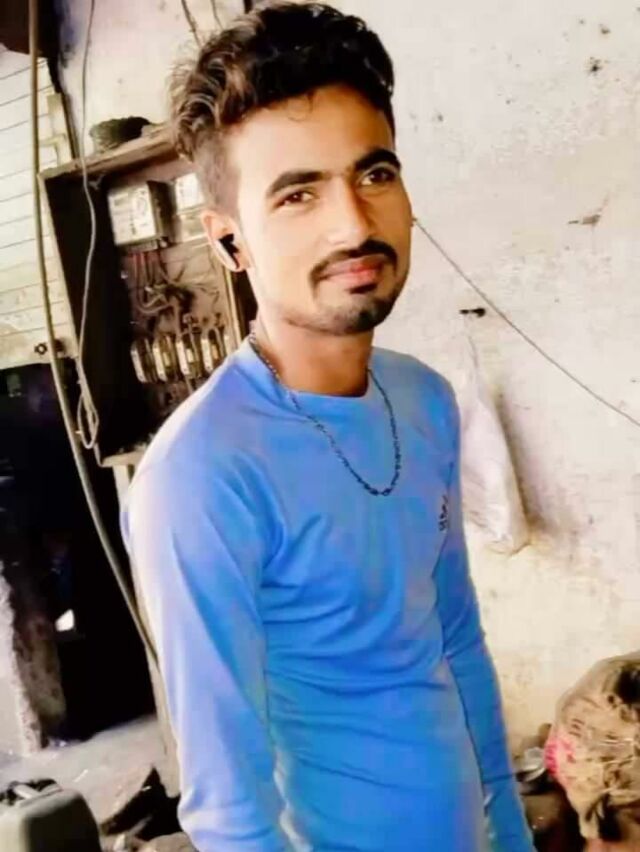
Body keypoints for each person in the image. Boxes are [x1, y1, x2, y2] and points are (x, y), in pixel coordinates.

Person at [122, 3, 534, 850]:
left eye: (374, 174)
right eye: (298, 194)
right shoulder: (201, 474)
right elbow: (229, 811)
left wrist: (512, 831)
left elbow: (456, 642)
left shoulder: (423, 400)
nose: (353, 223)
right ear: (229, 241)